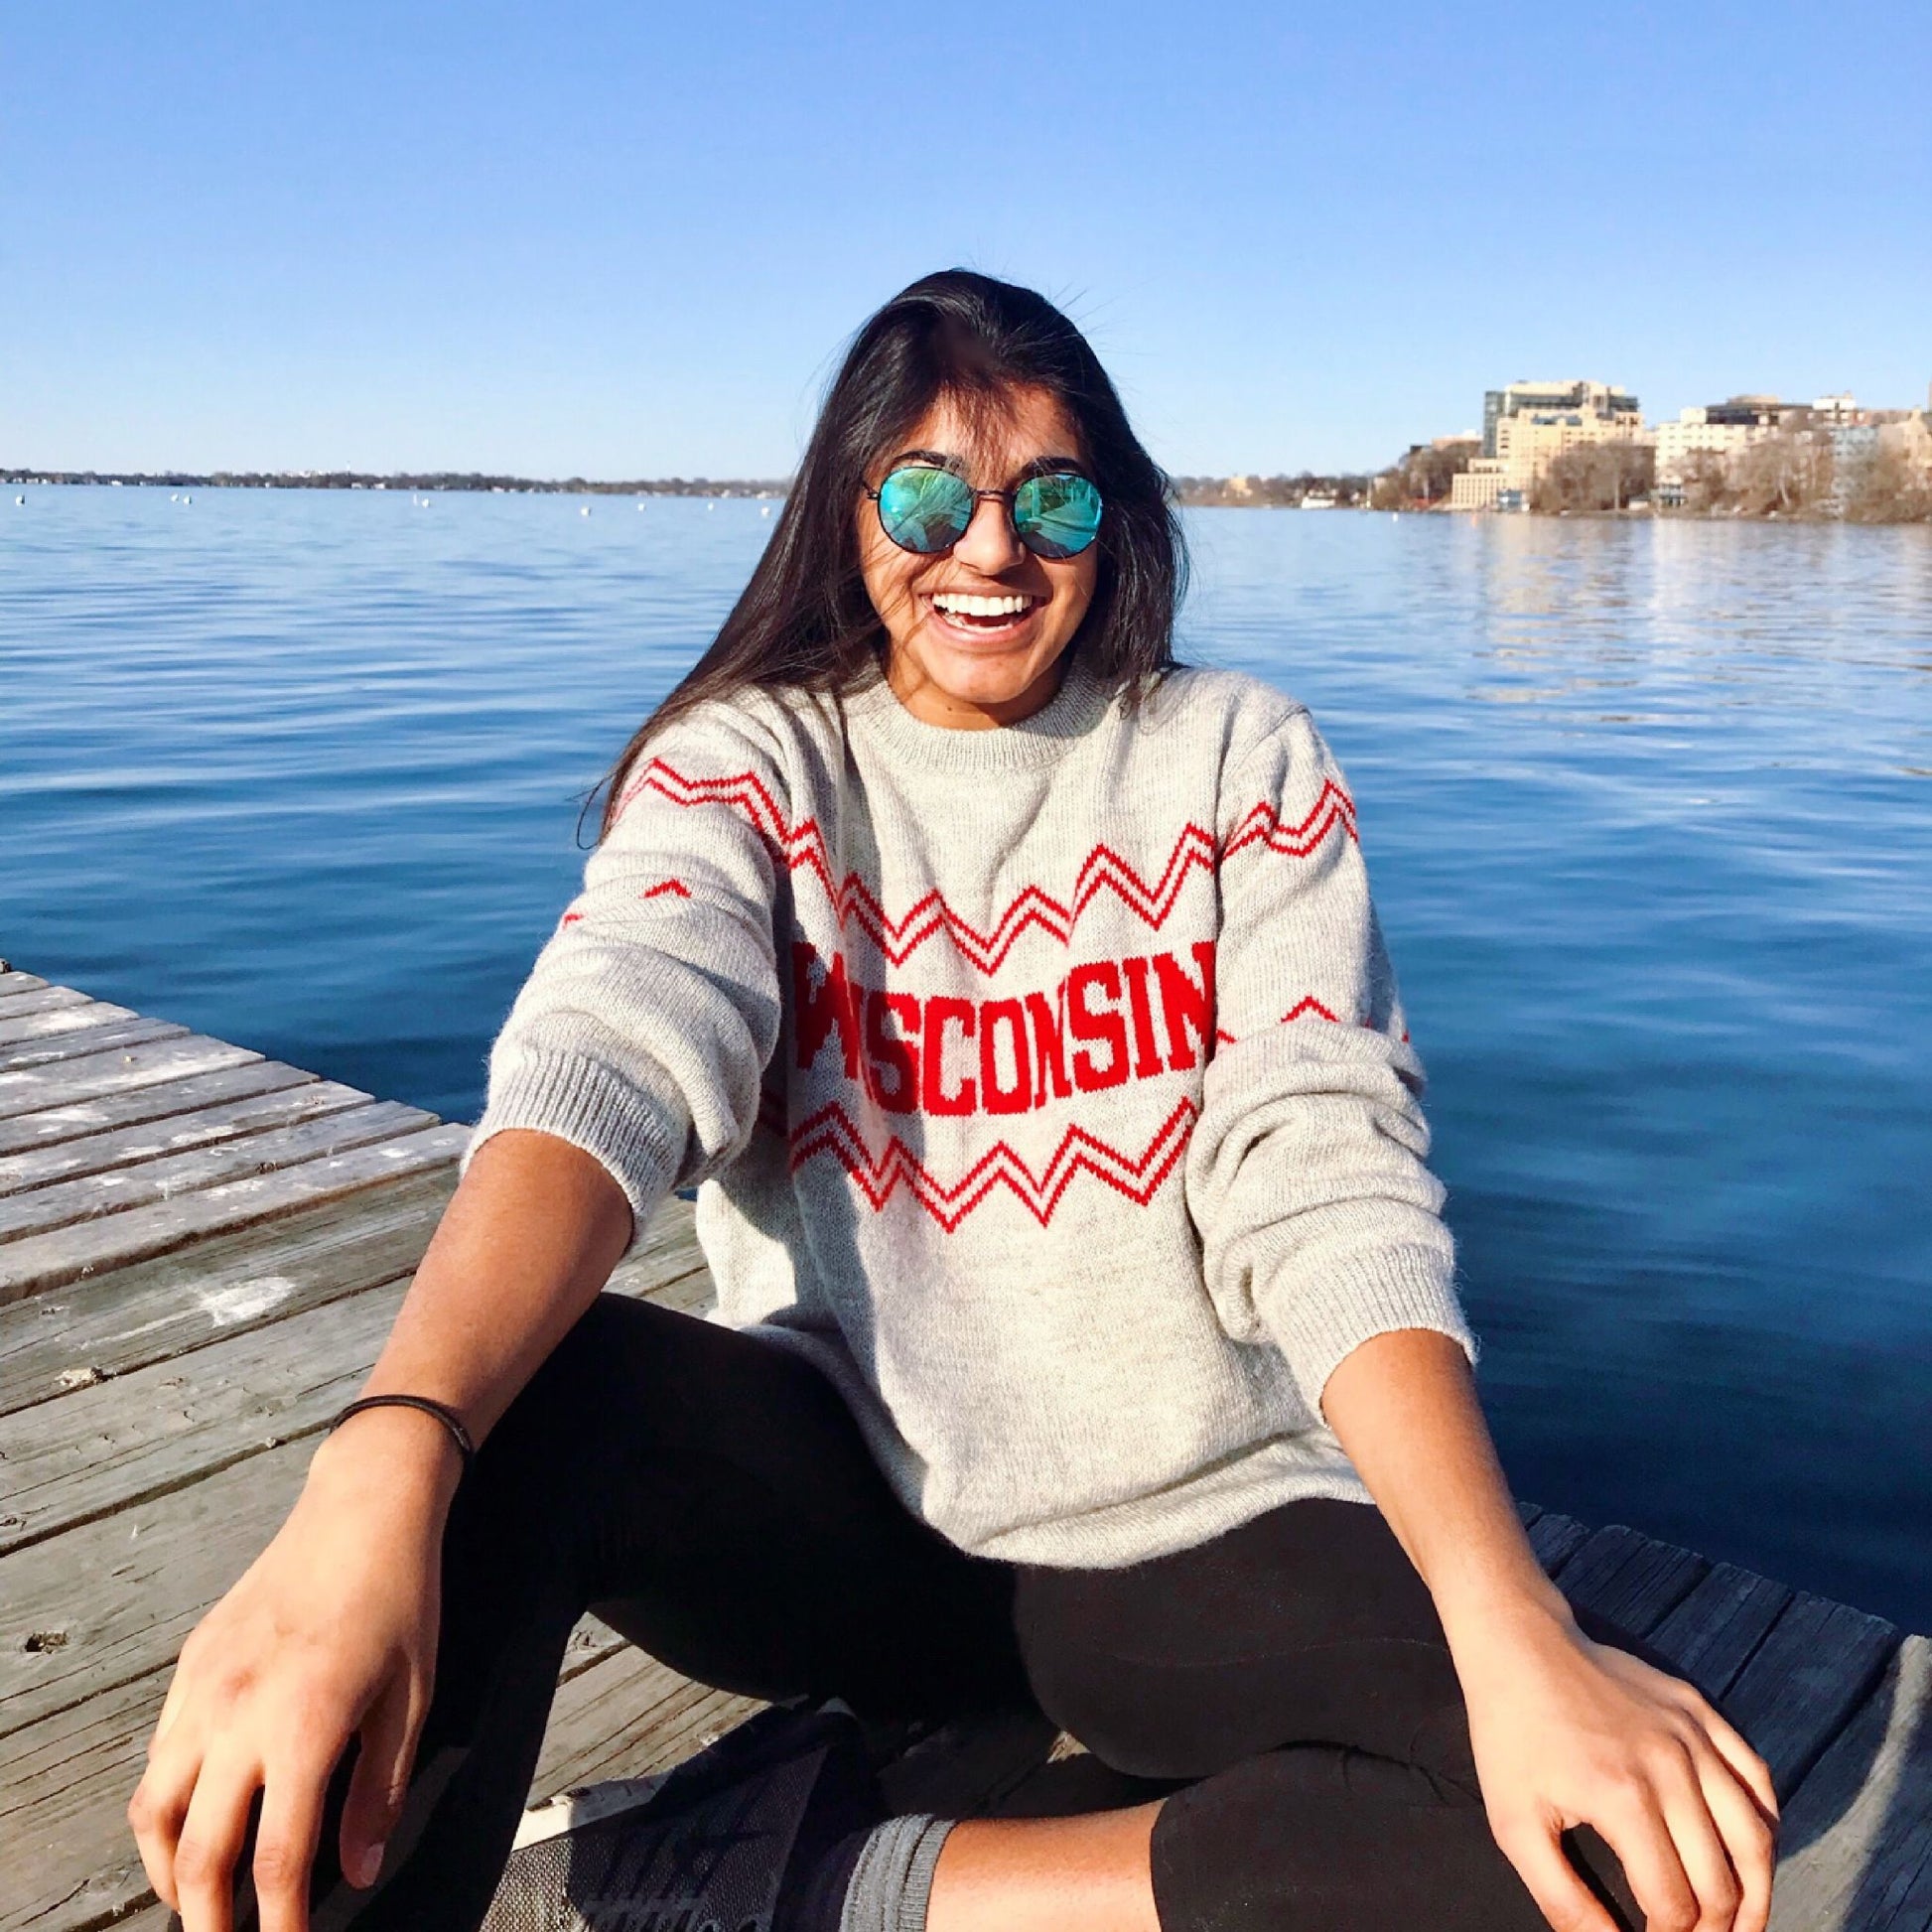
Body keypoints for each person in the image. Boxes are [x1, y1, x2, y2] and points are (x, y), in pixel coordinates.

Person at [129, 270, 1778, 1932]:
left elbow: (1322, 1168)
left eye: (1049, 498)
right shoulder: (748, 764)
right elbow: (614, 1045)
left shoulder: (1236, 758)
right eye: (926, 495)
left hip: (1182, 1531)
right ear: (846, 512)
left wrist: (1510, 1621)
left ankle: (817, 1875)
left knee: (1627, 1834)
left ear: (1114, 521)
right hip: (848, 1511)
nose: (989, 549)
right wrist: (381, 1462)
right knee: (499, 1422)